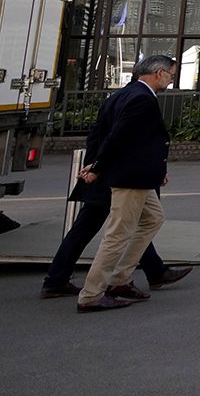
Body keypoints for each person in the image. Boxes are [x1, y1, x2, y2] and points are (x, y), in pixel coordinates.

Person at [75, 54, 178, 313]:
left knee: (153, 218)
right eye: (170, 75)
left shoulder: (121, 95)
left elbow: (101, 133)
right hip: (131, 176)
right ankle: (92, 293)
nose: (171, 79)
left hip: (140, 174)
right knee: (118, 233)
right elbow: (119, 136)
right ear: (158, 73)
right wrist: (97, 167)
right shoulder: (142, 99)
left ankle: (121, 279)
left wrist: (156, 169)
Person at [42, 128, 192, 298]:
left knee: (125, 224)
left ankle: (154, 270)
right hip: (117, 176)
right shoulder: (135, 104)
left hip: (108, 174)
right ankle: (95, 287)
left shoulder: (113, 102)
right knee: (117, 227)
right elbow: (126, 140)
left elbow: (96, 136)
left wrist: (92, 165)